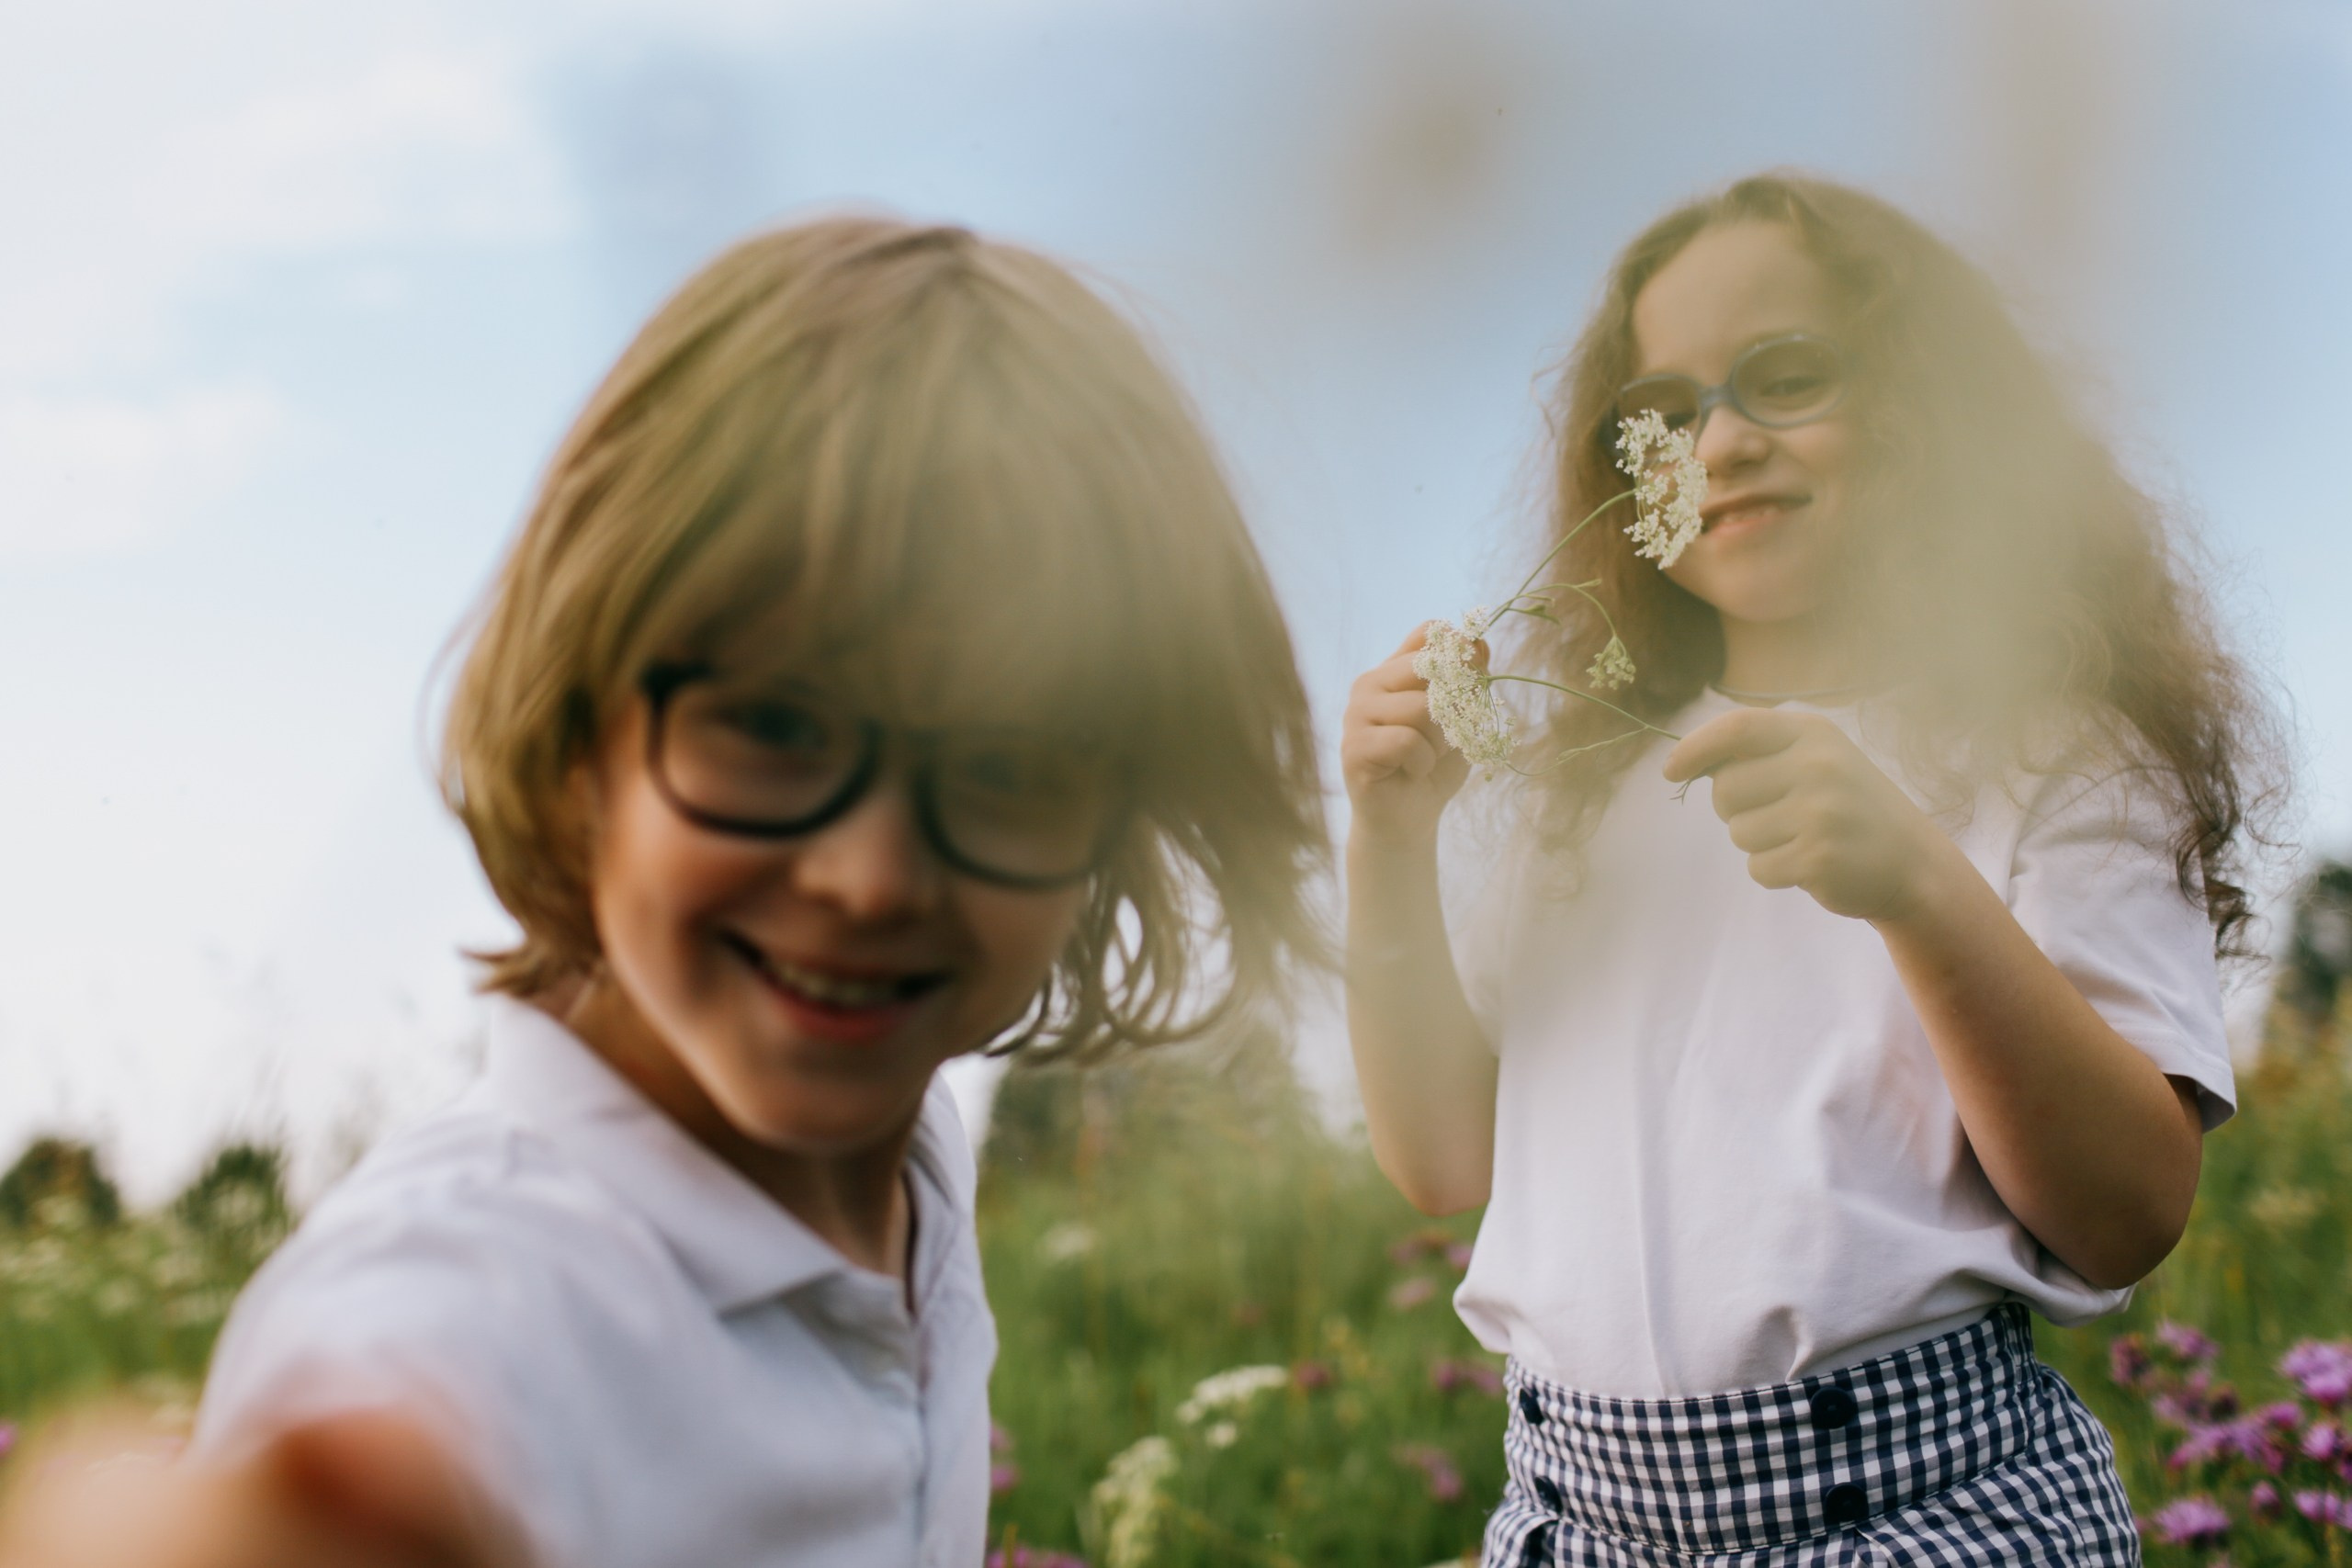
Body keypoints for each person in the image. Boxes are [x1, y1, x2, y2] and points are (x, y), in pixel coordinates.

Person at [0, 215, 1327, 1568]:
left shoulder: (901, 1139)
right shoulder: (466, 1311)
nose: (870, 881)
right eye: (776, 729)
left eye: (1002, 764)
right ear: (584, 732)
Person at [1342, 173, 2274, 1567]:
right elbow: (1438, 1158)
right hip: (1577, 1520)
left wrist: (1915, 882)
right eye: (1658, 414)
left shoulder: (2059, 755)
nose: (1717, 442)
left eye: (1786, 376)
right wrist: (1392, 843)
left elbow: (2127, 1211)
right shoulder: (1588, 780)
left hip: (1919, 1507)